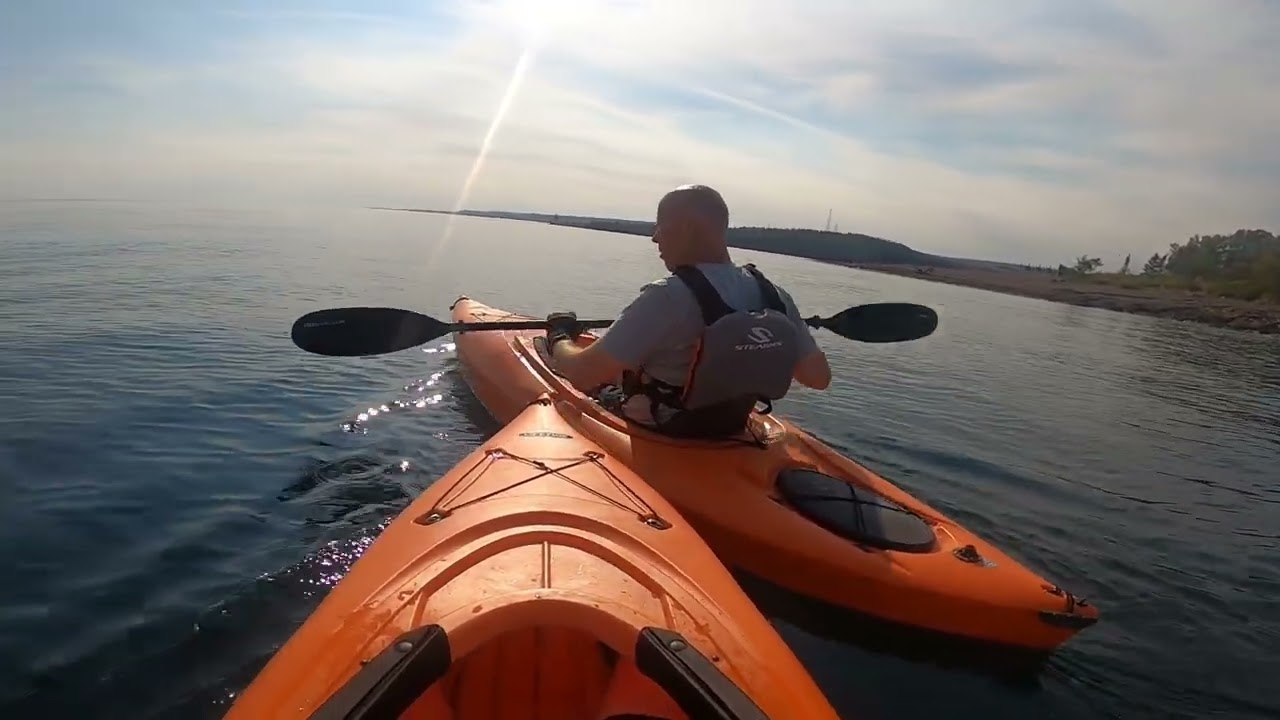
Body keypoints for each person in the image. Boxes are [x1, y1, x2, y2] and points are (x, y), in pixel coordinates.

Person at [543, 184, 832, 439]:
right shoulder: (775, 296)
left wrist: (559, 337)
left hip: (662, 430)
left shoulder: (667, 296)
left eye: (660, 225)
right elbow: (818, 378)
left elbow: (582, 374)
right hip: (729, 428)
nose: (655, 238)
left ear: (687, 229)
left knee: (591, 379)